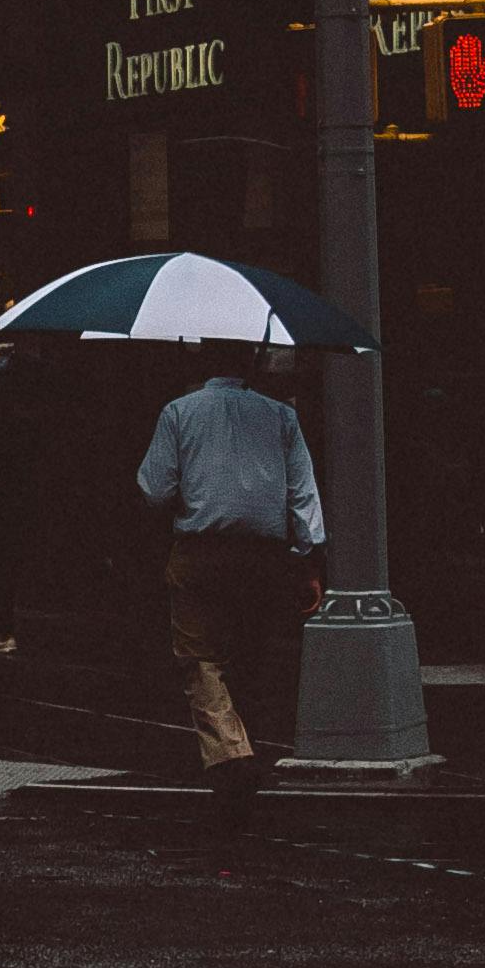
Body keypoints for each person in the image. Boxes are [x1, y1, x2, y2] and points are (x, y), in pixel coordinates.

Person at [137, 352, 323, 828]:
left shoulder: (179, 412)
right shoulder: (282, 415)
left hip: (201, 549)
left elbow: (154, 488)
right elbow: (302, 491)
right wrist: (307, 558)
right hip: (264, 556)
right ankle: (246, 755)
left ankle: (231, 754)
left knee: (200, 658)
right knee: (250, 657)